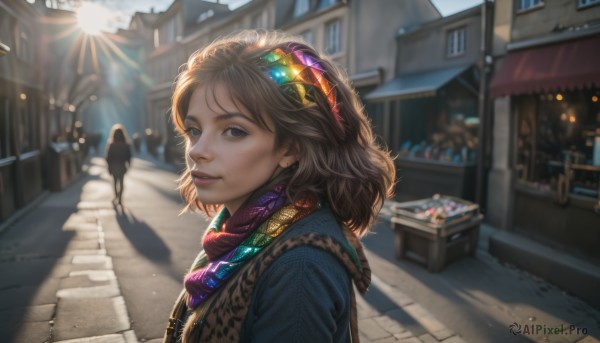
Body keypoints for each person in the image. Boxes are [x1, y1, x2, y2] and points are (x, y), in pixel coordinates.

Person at [163, 30, 396, 343]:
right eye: (194, 129)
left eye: (233, 130)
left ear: (291, 148)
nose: (196, 150)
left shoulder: (299, 269)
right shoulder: (237, 230)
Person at [105, 124, 132, 205]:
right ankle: (119, 198)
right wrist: (128, 164)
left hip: (114, 166)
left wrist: (109, 166)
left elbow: (108, 157)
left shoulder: (111, 144)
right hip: (122, 165)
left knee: (115, 182)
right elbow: (128, 156)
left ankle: (116, 196)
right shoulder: (126, 144)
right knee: (121, 182)